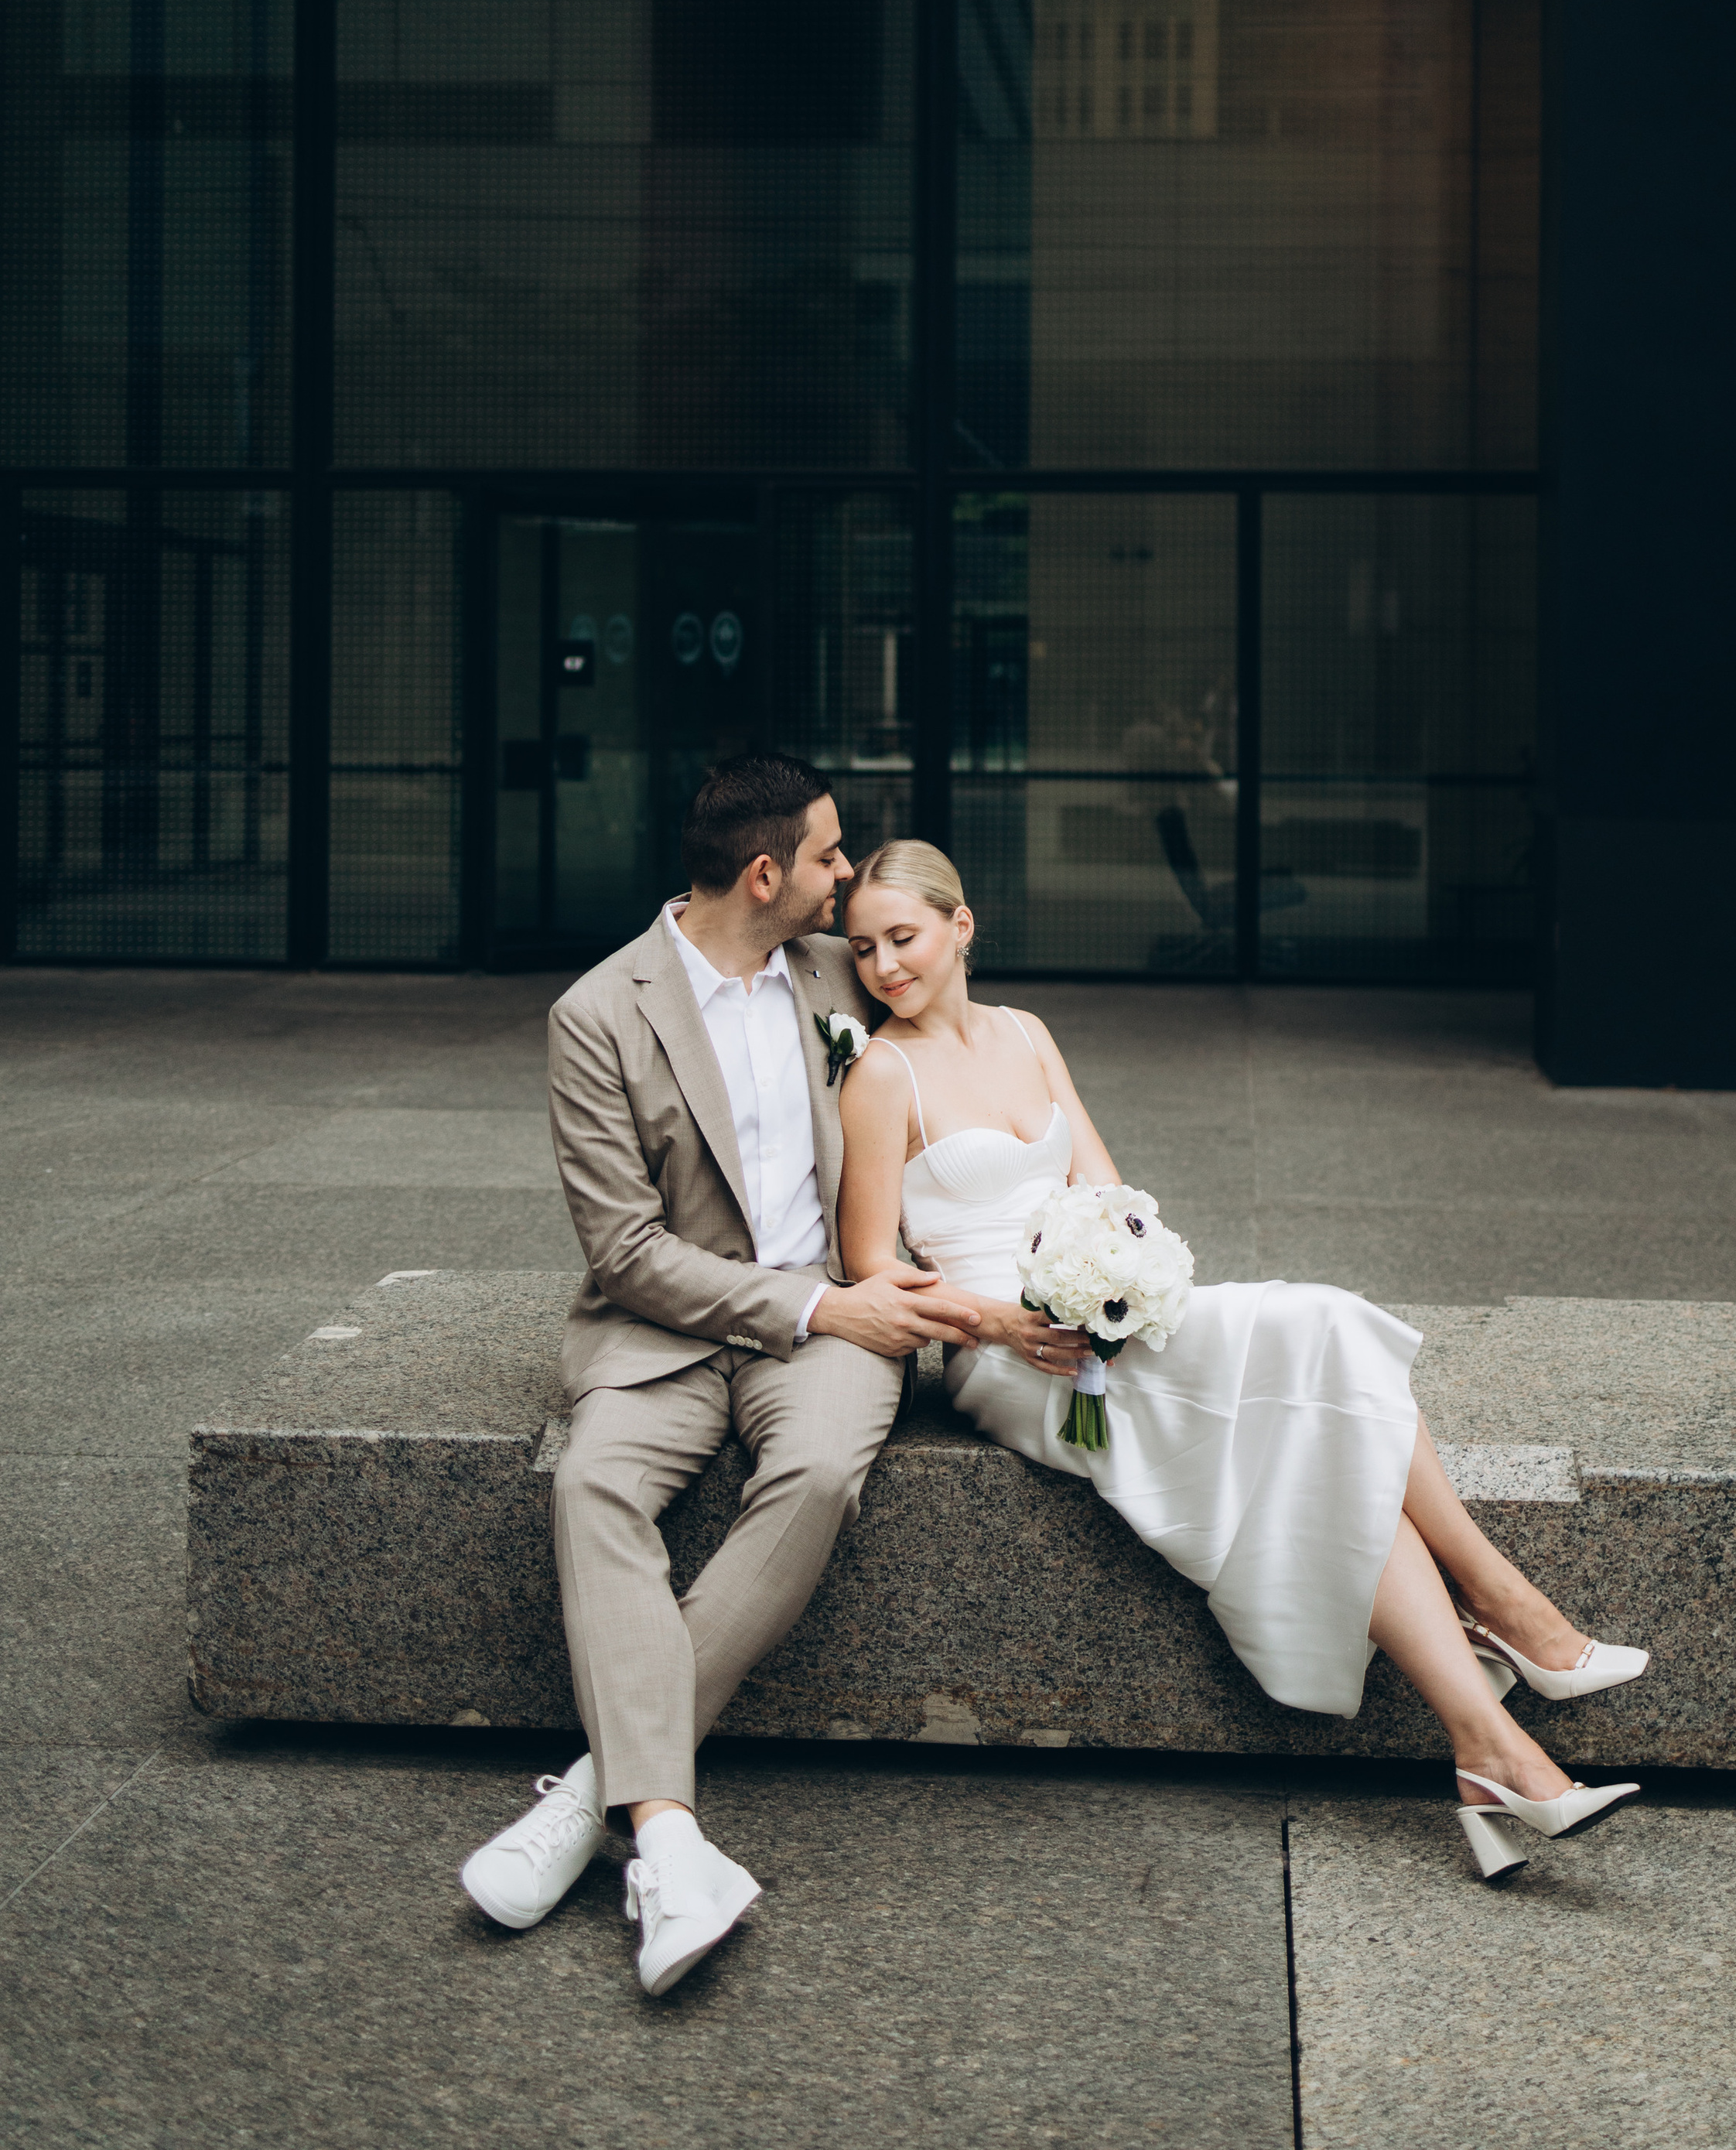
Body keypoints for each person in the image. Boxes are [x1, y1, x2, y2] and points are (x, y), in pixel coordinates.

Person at [836, 837, 1651, 1882]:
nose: (884, 966)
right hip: (1008, 1354)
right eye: (862, 950)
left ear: (962, 926)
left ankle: (1495, 1751)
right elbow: (870, 1266)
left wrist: (1130, 1278)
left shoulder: (1026, 1033)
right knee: (1324, 1336)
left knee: (1328, 1386)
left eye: (902, 937)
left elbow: (1109, 1191)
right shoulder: (879, 1073)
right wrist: (1005, 1324)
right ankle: (1508, 1614)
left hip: (1106, 1314)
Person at [457, 759, 981, 1991]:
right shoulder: (598, 1013)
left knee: (813, 1476)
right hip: (671, 1327)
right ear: (765, 874)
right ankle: (674, 1840)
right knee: (592, 1484)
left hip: (839, 1324)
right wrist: (809, 1301)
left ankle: (595, 1799)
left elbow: (944, 1048)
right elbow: (628, 1252)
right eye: (827, 856)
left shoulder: (831, 970)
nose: (847, 876)